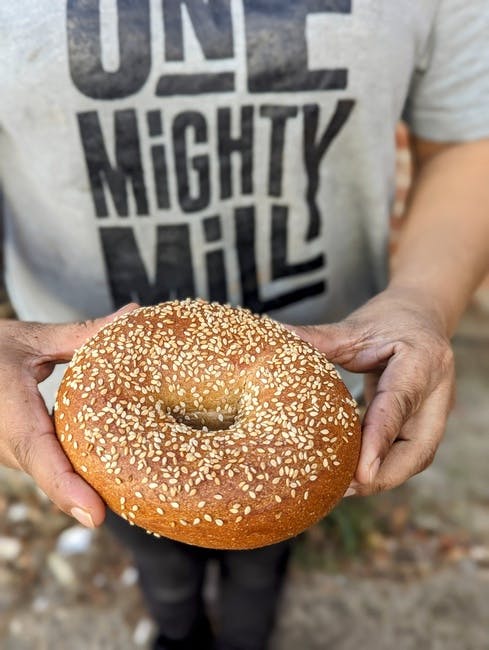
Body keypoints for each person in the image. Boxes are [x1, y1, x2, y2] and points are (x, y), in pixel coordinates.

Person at [1, 1, 489, 648]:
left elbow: (465, 136)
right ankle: (176, 629)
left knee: (266, 544)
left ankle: (247, 632)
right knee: (154, 554)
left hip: (321, 395)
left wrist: (425, 302)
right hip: (83, 406)